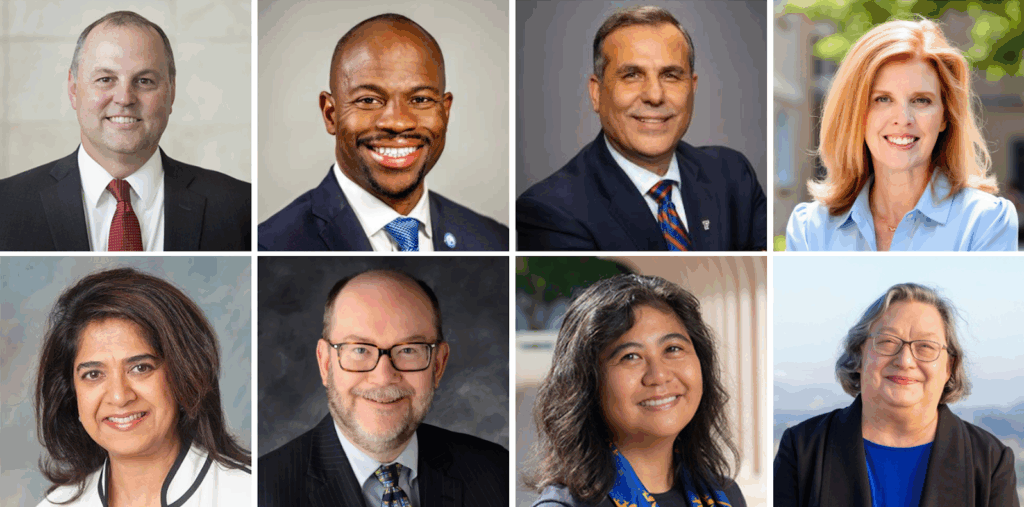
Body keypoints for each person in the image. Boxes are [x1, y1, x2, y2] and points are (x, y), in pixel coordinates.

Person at [516, 6, 766, 252]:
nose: (655, 96)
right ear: (596, 93)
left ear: (692, 87)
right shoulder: (551, 210)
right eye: (632, 75)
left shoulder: (733, 176)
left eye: (670, 75)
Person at [0, 11, 251, 252]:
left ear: (171, 92)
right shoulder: (7, 204)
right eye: (105, 79)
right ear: (74, 90)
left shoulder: (239, 207)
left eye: (144, 81)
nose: (124, 98)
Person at [257, 14, 509, 252]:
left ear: (445, 111)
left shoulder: (495, 240)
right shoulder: (270, 245)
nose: (398, 123)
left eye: (420, 99)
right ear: (330, 114)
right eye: (369, 100)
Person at [258, 270, 508, 506]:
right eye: (360, 350)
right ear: (325, 363)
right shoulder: (261, 492)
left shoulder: (494, 472)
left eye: (408, 350)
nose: (384, 376)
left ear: (439, 365)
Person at [774, 283, 1020, 506]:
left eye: (926, 346)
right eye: (888, 342)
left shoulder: (991, 462)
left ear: (949, 367)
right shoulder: (802, 448)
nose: (905, 361)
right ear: (859, 356)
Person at [786, 19, 1018, 251]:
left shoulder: (985, 222)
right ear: (855, 113)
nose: (903, 118)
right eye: (883, 99)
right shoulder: (810, 230)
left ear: (946, 116)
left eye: (921, 100)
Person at [34, 268, 251, 506]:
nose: (119, 397)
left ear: (184, 374)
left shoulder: (247, 493)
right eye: (93, 374)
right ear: (70, 392)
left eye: (140, 368)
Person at [527, 274, 746, 507]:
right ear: (586, 382)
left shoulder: (724, 496)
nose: (659, 376)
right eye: (630, 357)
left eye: (673, 349)